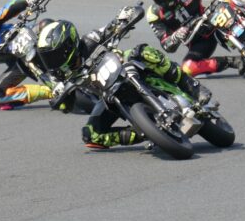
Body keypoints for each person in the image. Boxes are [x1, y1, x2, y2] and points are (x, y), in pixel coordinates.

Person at [36, 14, 212, 149]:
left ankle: (192, 86)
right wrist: (62, 101)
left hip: (125, 67)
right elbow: (64, 103)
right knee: (90, 135)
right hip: (108, 98)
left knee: (143, 51)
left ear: (69, 44)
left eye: (54, 55)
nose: (52, 62)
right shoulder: (60, 75)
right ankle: (144, 133)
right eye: (48, 58)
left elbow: (111, 27)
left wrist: (124, 18)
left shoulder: (90, 39)